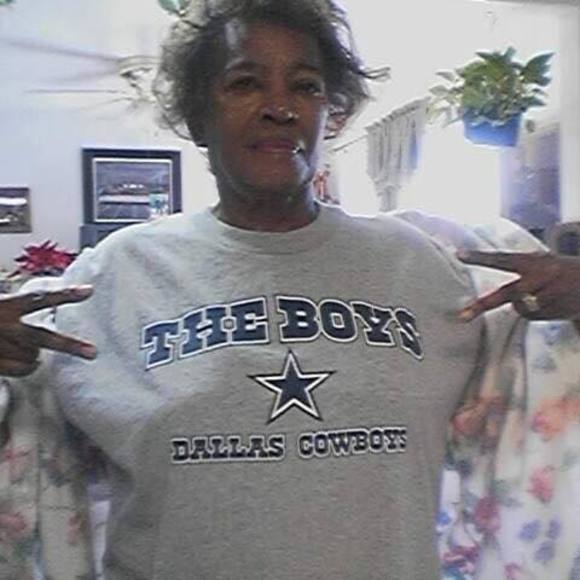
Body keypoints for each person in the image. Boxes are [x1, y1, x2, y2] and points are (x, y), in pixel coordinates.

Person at [1, 1, 580, 578]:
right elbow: (31, 451)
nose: (279, 108)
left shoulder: (431, 264)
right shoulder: (112, 279)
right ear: (199, 117)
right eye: (244, 83)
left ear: (331, 114)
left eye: (305, 86)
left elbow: (538, 386)